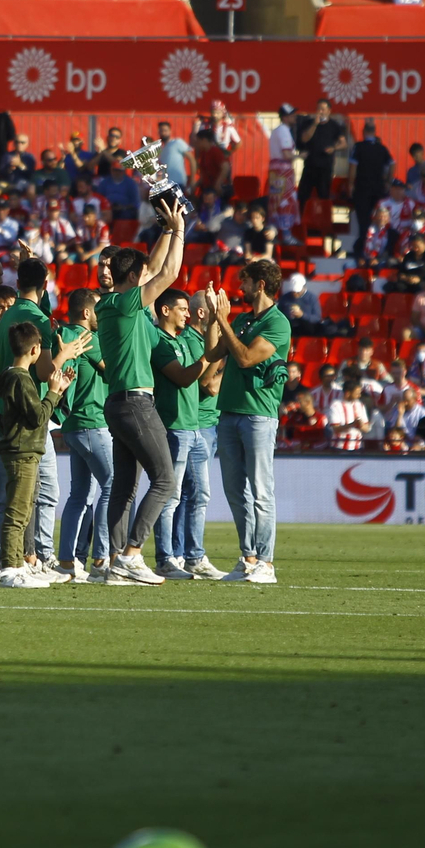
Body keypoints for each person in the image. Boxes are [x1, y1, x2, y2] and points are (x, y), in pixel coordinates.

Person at [96, 198, 187, 586]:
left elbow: (152, 267)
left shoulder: (115, 304)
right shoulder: (123, 303)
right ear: (134, 278)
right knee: (165, 479)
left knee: (125, 485)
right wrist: (180, 230)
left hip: (120, 403)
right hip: (135, 402)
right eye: (141, 275)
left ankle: (114, 560)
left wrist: (166, 230)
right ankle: (132, 554)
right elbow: (167, 273)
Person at [207, 259, 290, 584]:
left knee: (260, 491)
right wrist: (216, 318)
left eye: (245, 282)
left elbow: (244, 358)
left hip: (258, 415)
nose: (239, 287)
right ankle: (248, 557)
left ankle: (266, 562)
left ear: (260, 285)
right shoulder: (241, 319)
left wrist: (224, 319)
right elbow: (213, 353)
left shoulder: (277, 323)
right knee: (234, 491)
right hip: (228, 413)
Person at [0, 321, 74, 589]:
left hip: (24, 451)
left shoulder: (12, 375)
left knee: (24, 511)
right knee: (17, 513)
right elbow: (39, 416)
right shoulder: (20, 378)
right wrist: (52, 392)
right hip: (22, 452)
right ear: (35, 349)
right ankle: (10, 568)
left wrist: (57, 390)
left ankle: (18, 565)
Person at [151, 287, 219, 579]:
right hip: (175, 428)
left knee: (200, 494)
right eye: (182, 309)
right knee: (171, 495)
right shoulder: (162, 343)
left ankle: (194, 557)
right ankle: (165, 558)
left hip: (192, 428)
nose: (187, 314)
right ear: (165, 310)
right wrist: (209, 359)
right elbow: (188, 377)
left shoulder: (179, 341)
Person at [56, 289, 112, 582]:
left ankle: (67, 560)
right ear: (87, 313)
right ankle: (101, 559)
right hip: (92, 421)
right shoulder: (87, 338)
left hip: (74, 424)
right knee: (112, 484)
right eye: (98, 311)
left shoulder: (64, 333)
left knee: (79, 493)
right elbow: (114, 371)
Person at [295, 98, 346, 203]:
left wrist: (334, 148)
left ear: (329, 111)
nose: (320, 111)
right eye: (318, 109)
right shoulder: (309, 123)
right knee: (303, 195)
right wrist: (315, 124)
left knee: (323, 196)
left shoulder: (334, 126)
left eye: (323, 109)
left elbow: (343, 143)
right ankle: (302, 217)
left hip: (325, 167)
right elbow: (304, 138)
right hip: (310, 165)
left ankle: (323, 218)